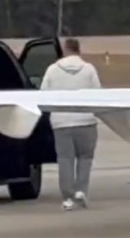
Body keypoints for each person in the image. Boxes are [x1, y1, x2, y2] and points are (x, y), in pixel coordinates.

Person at [40, 38, 101, 211]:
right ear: (78, 50)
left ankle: (68, 196)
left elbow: (43, 93)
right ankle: (81, 191)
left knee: (65, 160)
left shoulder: (52, 69)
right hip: (86, 120)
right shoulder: (89, 69)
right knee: (85, 158)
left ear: (65, 50)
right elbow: (98, 93)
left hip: (61, 122)